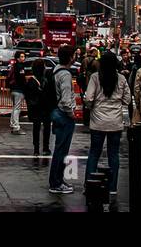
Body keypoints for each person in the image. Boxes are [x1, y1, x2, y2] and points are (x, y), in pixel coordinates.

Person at [84, 51, 132, 198]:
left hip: (98, 121)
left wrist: (92, 107)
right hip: (115, 122)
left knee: (94, 153)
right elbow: (128, 100)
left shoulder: (95, 77)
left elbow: (89, 98)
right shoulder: (121, 78)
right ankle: (112, 187)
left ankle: (90, 183)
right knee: (113, 155)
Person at [48, 46, 78, 195]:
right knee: (61, 151)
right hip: (64, 115)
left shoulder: (56, 70)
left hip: (56, 112)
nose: (75, 57)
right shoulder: (65, 74)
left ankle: (57, 180)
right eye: (74, 55)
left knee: (59, 150)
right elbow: (66, 99)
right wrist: (71, 113)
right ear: (70, 57)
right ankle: (56, 183)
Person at [25, 59, 52, 156]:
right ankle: (46, 147)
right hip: (46, 107)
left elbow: (27, 95)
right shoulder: (47, 79)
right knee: (47, 127)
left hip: (35, 107)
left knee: (36, 127)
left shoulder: (31, 81)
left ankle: (36, 148)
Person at [8, 52, 28, 135]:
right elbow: (21, 79)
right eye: (22, 56)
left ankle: (13, 124)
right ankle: (16, 127)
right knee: (17, 108)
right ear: (18, 58)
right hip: (18, 90)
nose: (24, 58)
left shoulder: (14, 66)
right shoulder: (20, 67)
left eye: (24, 56)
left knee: (15, 108)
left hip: (13, 89)